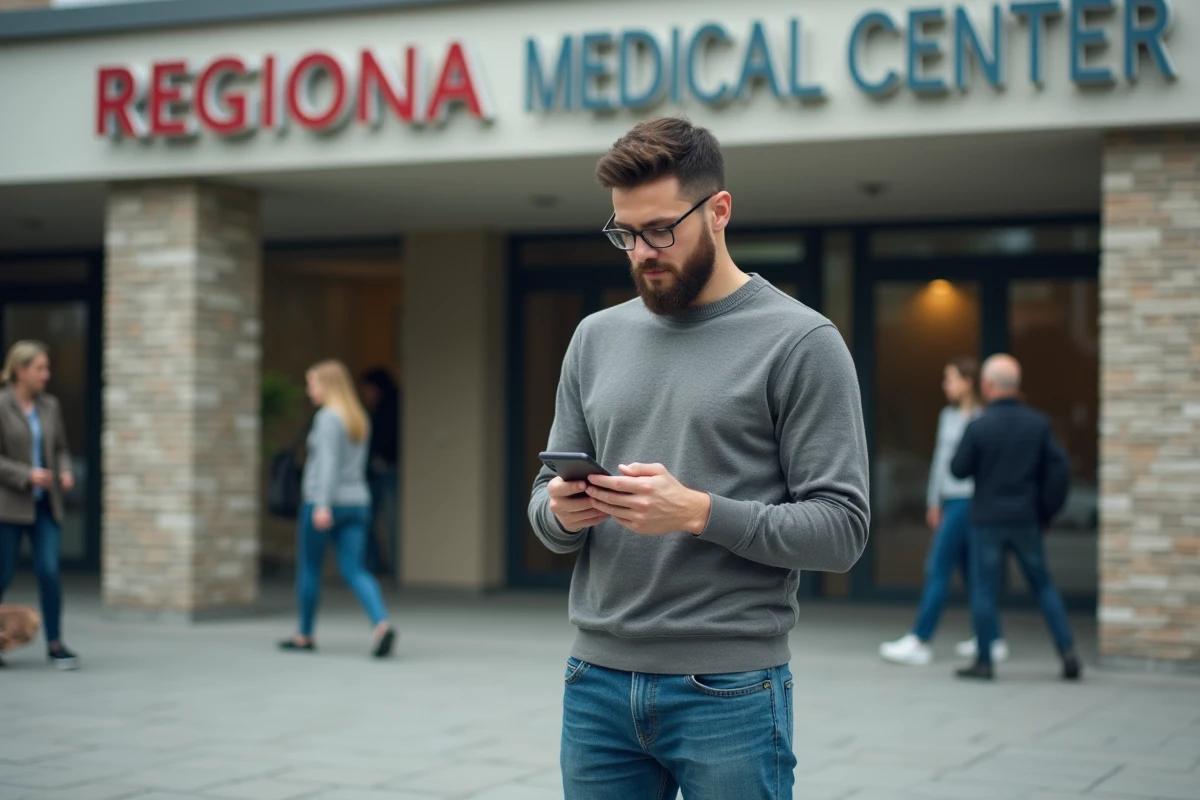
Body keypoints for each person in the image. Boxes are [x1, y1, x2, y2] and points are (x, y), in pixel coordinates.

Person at [528, 117, 870, 800]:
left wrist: (698, 513)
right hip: (594, 682)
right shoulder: (594, 337)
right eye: (624, 233)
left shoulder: (802, 341)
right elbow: (542, 504)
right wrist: (562, 512)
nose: (641, 252)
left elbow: (842, 532)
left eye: (660, 229)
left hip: (730, 691)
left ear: (719, 211)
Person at [950, 354, 1080, 681]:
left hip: (987, 520)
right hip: (1026, 518)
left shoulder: (979, 425)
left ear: (988, 385)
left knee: (983, 589)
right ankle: (1067, 653)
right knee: (1043, 585)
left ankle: (984, 661)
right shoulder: (1038, 424)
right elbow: (1059, 471)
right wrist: (1047, 511)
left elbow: (958, 469)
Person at [880, 357, 1010, 665]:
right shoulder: (947, 416)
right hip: (950, 500)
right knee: (968, 571)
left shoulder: (984, 417)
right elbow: (940, 462)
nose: (945, 385)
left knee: (938, 567)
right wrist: (933, 501)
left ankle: (920, 640)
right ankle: (992, 638)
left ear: (968, 381)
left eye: (950, 378)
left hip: (971, 501)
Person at [279, 359, 396, 658]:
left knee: (309, 569)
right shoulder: (358, 417)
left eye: (312, 384)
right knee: (355, 569)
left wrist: (322, 505)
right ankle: (381, 625)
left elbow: (328, 464)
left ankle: (304, 634)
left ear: (327, 386)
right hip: (357, 502)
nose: (309, 391)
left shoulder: (328, 418)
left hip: (325, 503)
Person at [0, 340, 79, 670]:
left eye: (47, 368)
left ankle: (56, 642)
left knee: (48, 571)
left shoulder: (50, 406)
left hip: (46, 505)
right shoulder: (1, 405)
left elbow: (61, 446)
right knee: (2, 575)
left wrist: (65, 470)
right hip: (9, 505)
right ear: (21, 370)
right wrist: (26, 475)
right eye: (40, 369)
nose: (46, 375)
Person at [358, 367, 400, 576]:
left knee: (390, 522)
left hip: (388, 471)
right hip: (377, 473)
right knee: (374, 521)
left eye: (367, 389)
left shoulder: (390, 408)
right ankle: (379, 565)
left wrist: (380, 458)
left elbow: (387, 440)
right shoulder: (377, 409)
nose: (365, 394)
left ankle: (391, 567)